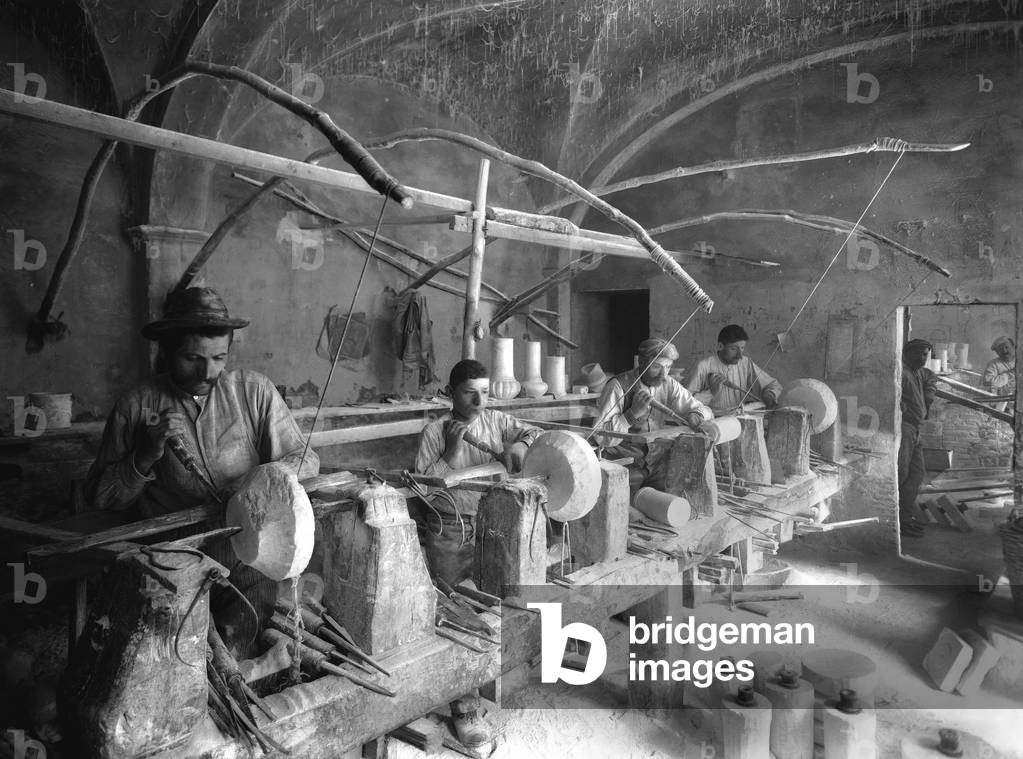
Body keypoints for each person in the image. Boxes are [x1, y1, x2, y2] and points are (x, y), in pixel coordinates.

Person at [85, 287, 319, 645]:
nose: (207, 371)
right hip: (172, 559)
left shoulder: (253, 392)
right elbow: (102, 499)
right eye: (192, 358)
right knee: (175, 648)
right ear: (165, 351)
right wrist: (144, 456)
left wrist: (254, 484)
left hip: (244, 554)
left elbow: (306, 459)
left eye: (218, 358)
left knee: (238, 636)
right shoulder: (136, 406)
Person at [414, 358, 541, 749]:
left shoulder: (498, 422)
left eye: (484, 391)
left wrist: (518, 445)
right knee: (456, 614)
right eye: (470, 392)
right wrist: (452, 452)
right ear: (451, 393)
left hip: (494, 522)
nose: (479, 399)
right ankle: (464, 706)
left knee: (496, 603)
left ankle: (489, 678)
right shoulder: (435, 431)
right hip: (450, 527)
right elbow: (423, 491)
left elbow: (536, 432)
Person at [593, 338, 713, 493]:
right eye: (657, 366)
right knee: (629, 513)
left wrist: (697, 415)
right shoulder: (618, 386)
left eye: (668, 367)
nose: (664, 374)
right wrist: (631, 415)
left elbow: (704, 409)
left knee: (670, 504)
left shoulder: (668, 384)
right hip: (624, 465)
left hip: (656, 465)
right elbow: (600, 435)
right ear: (641, 362)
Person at [687, 324, 782, 413]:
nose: (740, 355)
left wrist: (770, 395)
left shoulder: (745, 363)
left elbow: (773, 385)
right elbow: (686, 402)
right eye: (733, 349)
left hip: (739, 418)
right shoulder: (703, 366)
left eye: (742, 348)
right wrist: (710, 392)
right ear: (720, 346)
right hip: (712, 419)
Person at [899, 338, 937, 538]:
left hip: (916, 429)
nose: (923, 358)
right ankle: (898, 523)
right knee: (903, 474)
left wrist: (930, 389)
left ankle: (904, 519)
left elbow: (931, 375)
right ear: (907, 353)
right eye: (919, 353)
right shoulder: (903, 373)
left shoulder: (917, 373)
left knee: (917, 474)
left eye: (926, 354)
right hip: (905, 429)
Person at [983, 336, 1015, 412]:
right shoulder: (993, 365)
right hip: (1003, 405)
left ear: (1013, 347)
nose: (1005, 351)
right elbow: (989, 383)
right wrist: (1009, 375)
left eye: (1007, 347)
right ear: (997, 352)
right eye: (1001, 349)